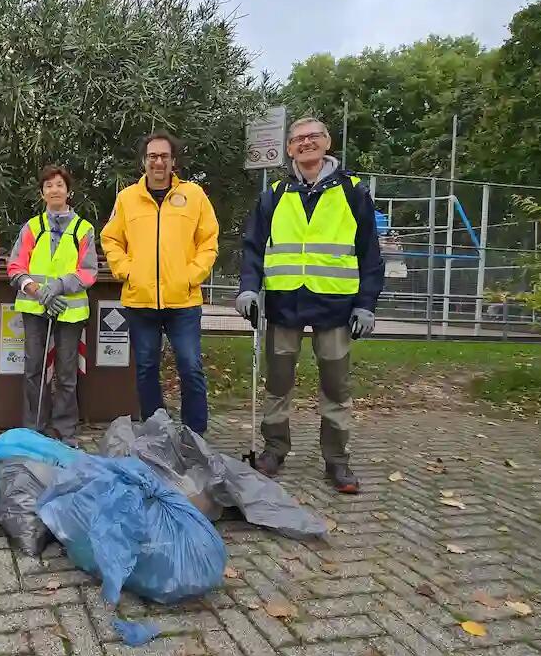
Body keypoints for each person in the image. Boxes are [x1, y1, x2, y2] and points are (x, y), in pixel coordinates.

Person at [236, 116, 383, 493]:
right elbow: (253, 248)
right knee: (278, 383)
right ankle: (274, 450)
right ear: (289, 148)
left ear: (327, 142)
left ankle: (337, 459)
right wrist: (249, 289)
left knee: (336, 386)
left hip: (335, 306)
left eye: (313, 137)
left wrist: (366, 304)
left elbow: (370, 254)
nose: (306, 143)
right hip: (284, 305)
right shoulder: (274, 194)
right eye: (298, 139)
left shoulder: (352, 191)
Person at [100, 131, 219, 433]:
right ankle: (157, 433)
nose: (158, 162)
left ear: (173, 161)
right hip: (140, 301)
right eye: (153, 156)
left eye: (164, 156)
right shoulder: (127, 199)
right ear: (144, 161)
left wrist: (192, 276)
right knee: (146, 369)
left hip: (183, 301)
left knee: (191, 367)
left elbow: (209, 241)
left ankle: (195, 434)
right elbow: (111, 239)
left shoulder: (193, 196)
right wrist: (126, 271)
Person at [7, 166, 99, 444]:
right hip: (35, 309)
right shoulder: (32, 228)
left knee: (66, 372)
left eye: (60, 184)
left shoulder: (83, 229)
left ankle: (64, 430)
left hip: (69, 311)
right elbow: (15, 266)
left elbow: (88, 270)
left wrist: (58, 286)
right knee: (34, 368)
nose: (55, 190)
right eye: (49, 186)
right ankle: (33, 428)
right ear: (42, 193)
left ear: (68, 191)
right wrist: (36, 290)